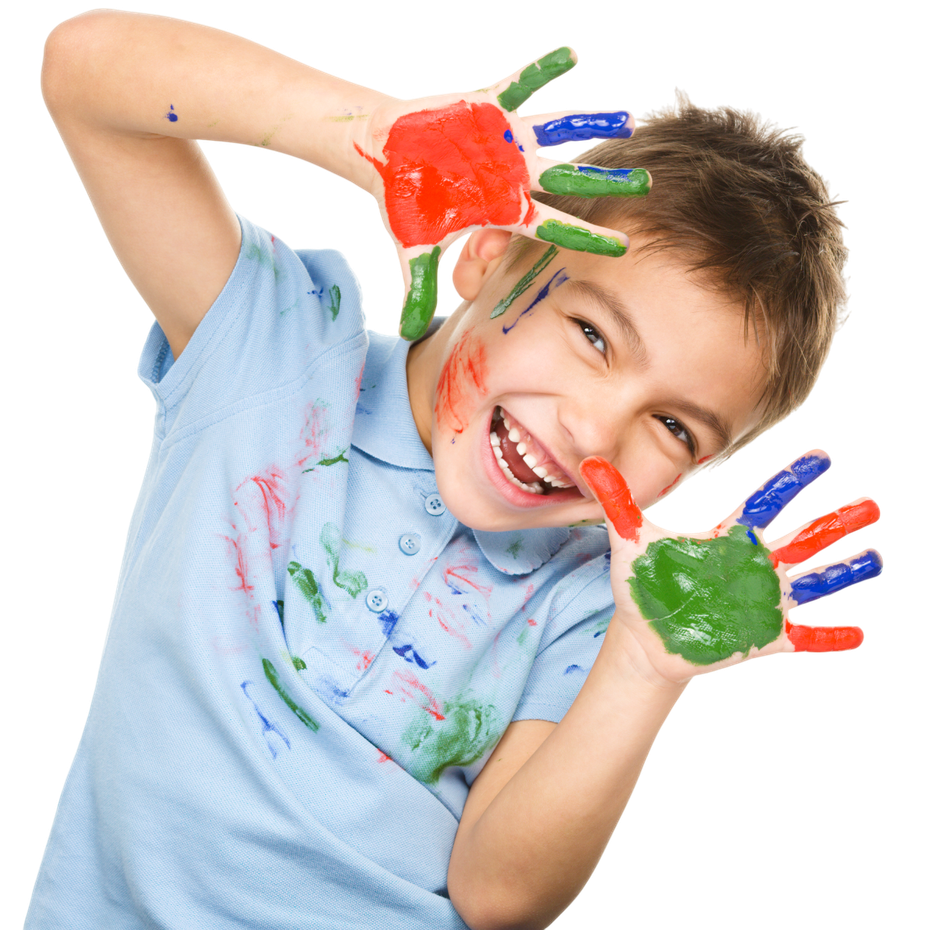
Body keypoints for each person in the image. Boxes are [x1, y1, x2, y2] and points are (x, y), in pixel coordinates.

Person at [31, 10, 882, 930]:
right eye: (592, 334)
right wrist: (372, 136)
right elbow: (84, 69)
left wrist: (644, 667)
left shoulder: (593, 605)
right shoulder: (273, 352)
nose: (597, 432)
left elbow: (499, 897)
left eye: (673, 426)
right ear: (485, 250)